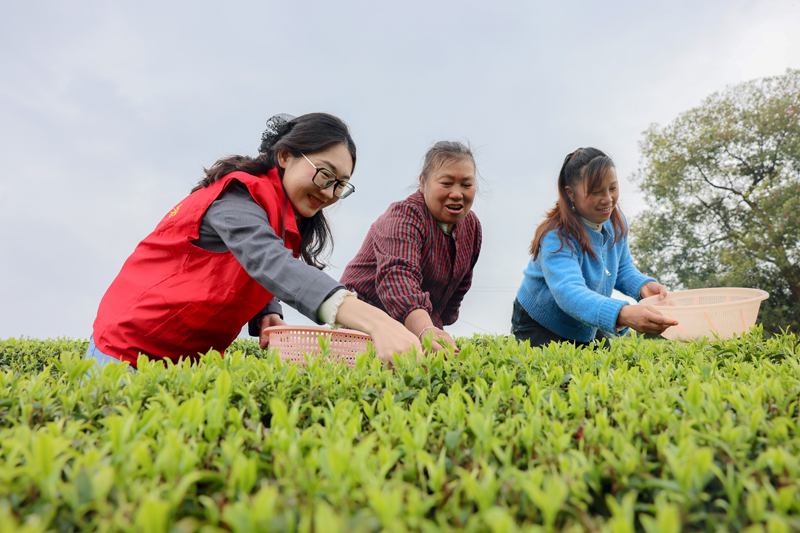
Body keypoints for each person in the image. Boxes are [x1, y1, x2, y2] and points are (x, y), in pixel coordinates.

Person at [86, 112, 420, 370]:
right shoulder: (237, 196)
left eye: (340, 184)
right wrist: (378, 322)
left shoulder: (285, 215)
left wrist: (266, 310)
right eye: (324, 173)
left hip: (183, 360)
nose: (329, 192)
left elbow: (246, 265)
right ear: (286, 156)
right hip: (125, 352)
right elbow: (268, 260)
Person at [512, 147, 678, 348]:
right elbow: (569, 292)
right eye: (596, 192)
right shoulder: (556, 236)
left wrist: (642, 286)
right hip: (541, 322)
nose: (608, 199)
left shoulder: (616, 223)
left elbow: (621, 268)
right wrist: (623, 313)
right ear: (570, 193)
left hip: (583, 317)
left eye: (613, 188)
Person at [341, 141, 482, 352]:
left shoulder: (471, 227)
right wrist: (425, 329)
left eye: (466, 184)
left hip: (417, 328)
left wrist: (434, 329)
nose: (457, 193)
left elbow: (460, 286)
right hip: (361, 327)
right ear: (423, 183)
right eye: (446, 183)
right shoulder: (404, 216)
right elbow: (398, 277)